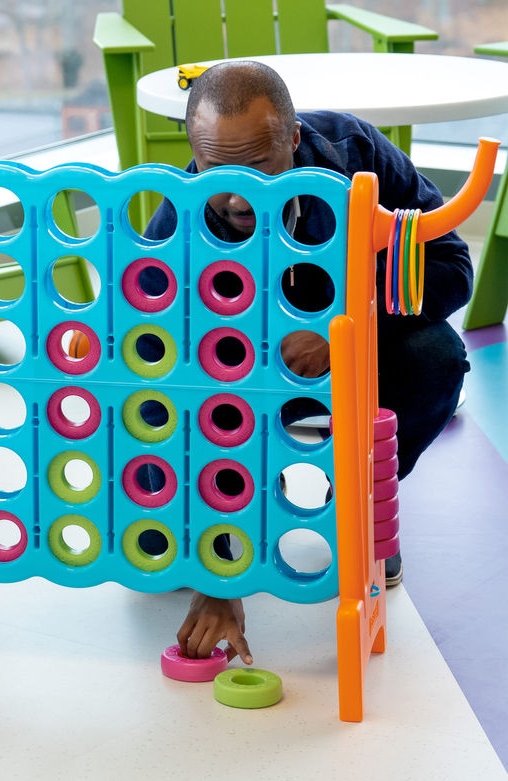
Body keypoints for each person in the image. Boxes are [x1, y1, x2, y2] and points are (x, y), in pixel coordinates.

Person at [146, 60, 471, 664]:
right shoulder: (178, 220)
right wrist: (221, 568)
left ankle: (361, 505)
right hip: (236, 388)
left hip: (354, 362)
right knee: (154, 552)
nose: (239, 193)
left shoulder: (356, 155)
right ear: (193, 156)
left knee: (437, 357)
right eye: (218, 170)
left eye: (260, 165)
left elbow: (453, 269)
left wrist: (345, 326)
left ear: (293, 139)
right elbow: (168, 393)